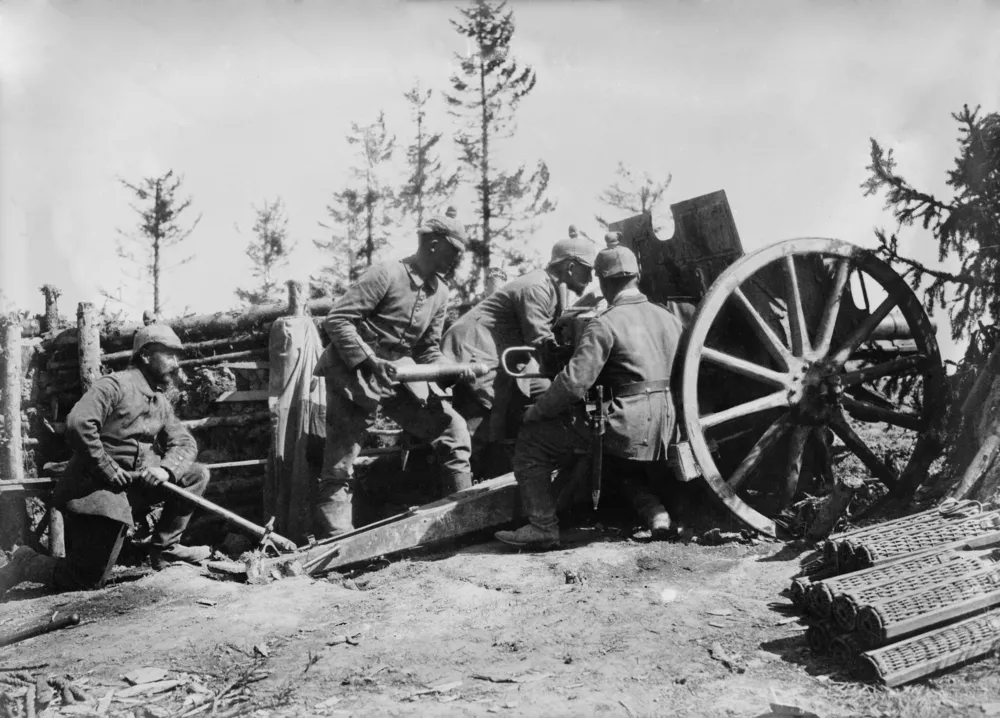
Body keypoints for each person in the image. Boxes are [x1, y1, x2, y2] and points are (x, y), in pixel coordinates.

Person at [495, 237, 685, 549]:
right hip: (668, 424)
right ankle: (656, 515)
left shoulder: (605, 324)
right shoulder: (669, 317)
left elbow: (572, 384)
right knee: (617, 461)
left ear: (605, 283)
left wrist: (537, 411)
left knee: (532, 441)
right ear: (637, 277)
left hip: (626, 425)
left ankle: (542, 526)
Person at [0, 325, 212, 598]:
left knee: (195, 474)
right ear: (146, 355)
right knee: (85, 580)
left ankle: (165, 550)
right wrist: (108, 468)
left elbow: (184, 442)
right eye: (168, 355)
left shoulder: (159, 400)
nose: (175, 363)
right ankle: (25, 562)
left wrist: (166, 469)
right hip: (96, 489)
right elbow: (79, 424)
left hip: (135, 486)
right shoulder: (114, 385)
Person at [313, 207, 475, 538]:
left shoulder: (440, 292)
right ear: (432, 243)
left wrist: (450, 370)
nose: (457, 261)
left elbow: (427, 349)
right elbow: (338, 320)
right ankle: (337, 545)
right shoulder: (386, 273)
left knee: (452, 429)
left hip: (398, 376)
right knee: (340, 464)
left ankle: (465, 519)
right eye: (454, 251)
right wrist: (371, 360)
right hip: (352, 374)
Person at [441, 226, 597, 478]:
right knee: (481, 421)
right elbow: (541, 343)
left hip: (499, 355)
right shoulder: (536, 287)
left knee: (526, 404)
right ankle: (462, 488)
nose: (590, 279)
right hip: (474, 350)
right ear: (570, 267)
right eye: (588, 271)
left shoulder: (551, 287)